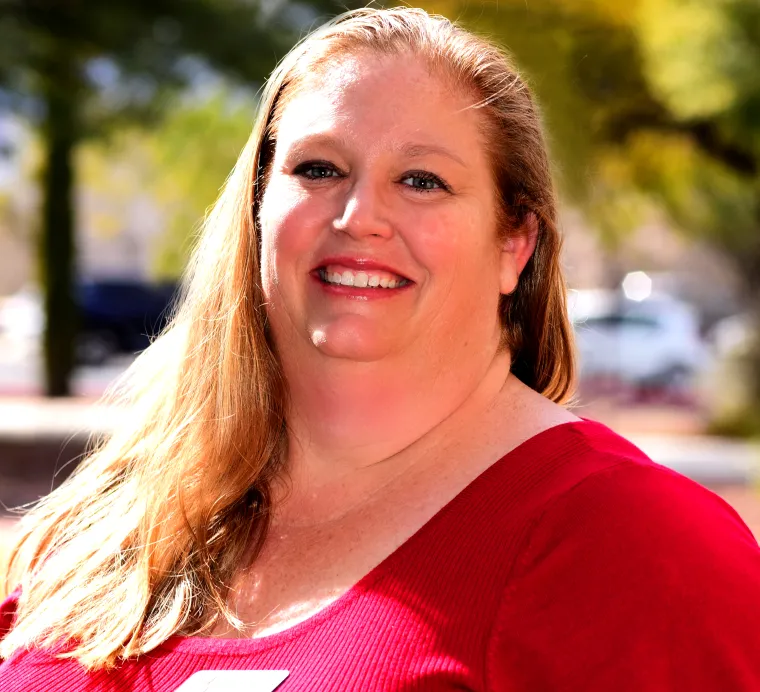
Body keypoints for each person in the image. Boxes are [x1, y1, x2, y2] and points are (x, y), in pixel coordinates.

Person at [2, 7, 760, 691]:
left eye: (422, 180)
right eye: (319, 169)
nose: (361, 215)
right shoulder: (104, 529)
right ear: (260, 208)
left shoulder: (636, 552)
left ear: (515, 245)